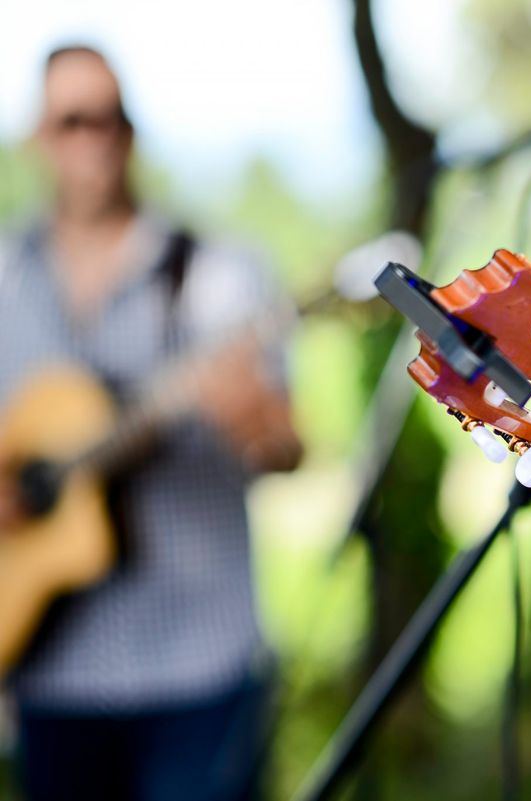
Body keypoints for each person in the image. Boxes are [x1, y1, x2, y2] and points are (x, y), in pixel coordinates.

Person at [0, 46, 301, 800]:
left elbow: (288, 450)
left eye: (111, 119)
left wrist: (254, 421)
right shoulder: (5, 276)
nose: (94, 138)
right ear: (40, 136)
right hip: (49, 668)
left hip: (199, 670)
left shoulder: (220, 274)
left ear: (132, 133)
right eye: (72, 120)